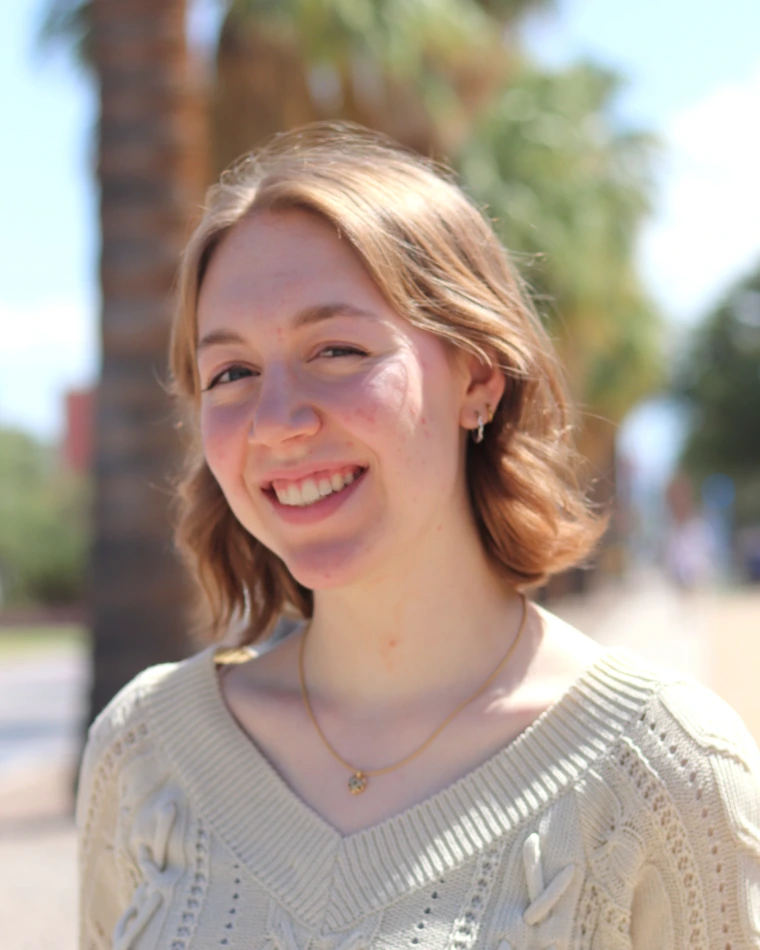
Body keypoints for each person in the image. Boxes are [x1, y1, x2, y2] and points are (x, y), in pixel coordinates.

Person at [77, 124, 760, 950]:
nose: (279, 421)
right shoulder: (144, 753)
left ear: (476, 377)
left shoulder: (664, 770)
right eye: (232, 372)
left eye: (336, 349)